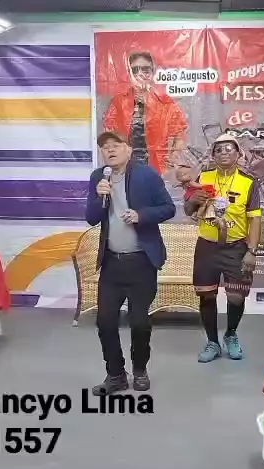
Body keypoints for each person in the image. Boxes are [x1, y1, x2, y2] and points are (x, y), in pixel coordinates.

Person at [85, 131, 176, 395]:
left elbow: (168, 208)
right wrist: (98, 197)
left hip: (141, 263)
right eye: (105, 147)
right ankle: (115, 375)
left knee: (139, 322)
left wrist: (141, 215)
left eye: (116, 145)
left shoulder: (146, 175)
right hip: (112, 264)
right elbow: (91, 218)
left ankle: (139, 370)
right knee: (105, 322)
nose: (110, 150)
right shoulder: (98, 177)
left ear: (128, 150)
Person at [183, 133, 262, 363]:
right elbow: (188, 210)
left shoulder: (248, 182)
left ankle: (231, 334)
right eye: (219, 149)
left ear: (238, 154)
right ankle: (212, 342)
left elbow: (255, 219)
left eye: (229, 149)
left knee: (236, 297)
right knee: (207, 296)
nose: (224, 153)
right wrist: (193, 199)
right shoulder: (204, 176)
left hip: (236, 247)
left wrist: (252, 251)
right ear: (213, 155)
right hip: (207, 246)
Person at [103, 51, 189, 174]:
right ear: (130, 74)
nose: (140, 74)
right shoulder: (119, 102)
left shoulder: (166, 103)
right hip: (126, 167)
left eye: (145, 70)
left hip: (157, 167)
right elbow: (108, 132)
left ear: (152, 72)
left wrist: (173, 156)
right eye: (135, 70)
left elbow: (180, 133)